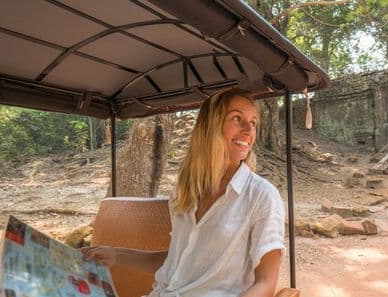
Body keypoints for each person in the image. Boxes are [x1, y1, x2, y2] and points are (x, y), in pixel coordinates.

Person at [82, 88, 285, 297]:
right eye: (237, 118)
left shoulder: (262, 197)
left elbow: (266, 284)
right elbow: (178, 261)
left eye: (252, 123)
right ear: (210, 126)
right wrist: (115, 254)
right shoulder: (184, 191)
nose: (248, 131)